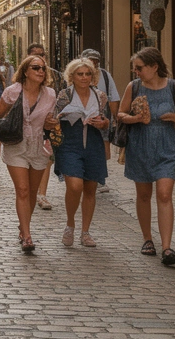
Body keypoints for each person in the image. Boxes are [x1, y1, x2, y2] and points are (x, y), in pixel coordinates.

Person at [115, 47, 175, 265]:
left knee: (164, 194)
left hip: (167, 145)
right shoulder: (134, 86)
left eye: (139, 68)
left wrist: (173, 116)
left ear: (154, 67)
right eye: (134, 68)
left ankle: (167, 247)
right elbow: (120, 114)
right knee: (144, 195)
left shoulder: (174, 86)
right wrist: (135, 119)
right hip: (140, 145)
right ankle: (147, 239)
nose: (135, 72)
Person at [0, 54, 57, 252]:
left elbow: (52, 120)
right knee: (23, 190)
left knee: (32, 192)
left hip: (39, 147)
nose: (41, 71)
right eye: (36, 68)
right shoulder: (12, 92)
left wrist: (52, 123)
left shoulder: (50, 94)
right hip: (16, 145)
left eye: (43, 68)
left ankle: (23, 225)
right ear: (25, 71)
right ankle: (27, 235)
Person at [52, 58, 111, 247]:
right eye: (80, 74)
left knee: (90, 188)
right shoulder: (65, 95)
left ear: (92, 76)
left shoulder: (100, 96)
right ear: (72, 76)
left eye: (87, 74)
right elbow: (52, 118)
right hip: (70, 142)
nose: (84, 78)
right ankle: (70, 224)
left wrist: (103, 123)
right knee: (75, 185)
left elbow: (107, 121)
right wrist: (59, 120)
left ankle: (85, 232)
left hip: (93, 143)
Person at [80, 48, 120, 191]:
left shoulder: (105, 75)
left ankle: (100, 178)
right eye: (91, 61)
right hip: (81, 118)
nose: (93, 64)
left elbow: (113, 97)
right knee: (83, 146)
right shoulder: (76, 74)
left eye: (96, 62)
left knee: (102, 148)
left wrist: (115, 118)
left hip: (101, 117)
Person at [27, 43, 58, 211]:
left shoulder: (53, 76)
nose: (40, 57)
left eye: (42, 54)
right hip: (26, 130)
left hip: (46, 129)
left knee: (46, 160)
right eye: (35, 55)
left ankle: (42, 194)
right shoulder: (22, 77)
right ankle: (31, 192)